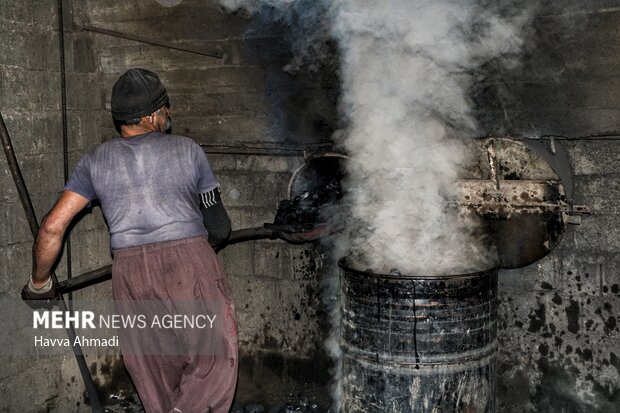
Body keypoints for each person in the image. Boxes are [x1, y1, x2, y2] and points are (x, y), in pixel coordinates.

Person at [21, 68, 238, 413]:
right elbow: (221, 227)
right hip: (188, 261)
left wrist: (38, 283)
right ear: (152, 116)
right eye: (166, 108)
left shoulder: (94, 161)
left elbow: (51, 229)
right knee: (212, 361)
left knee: (153, 371)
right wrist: (193, 251)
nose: (170, 115)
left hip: (130, 273)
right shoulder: (188, 150)